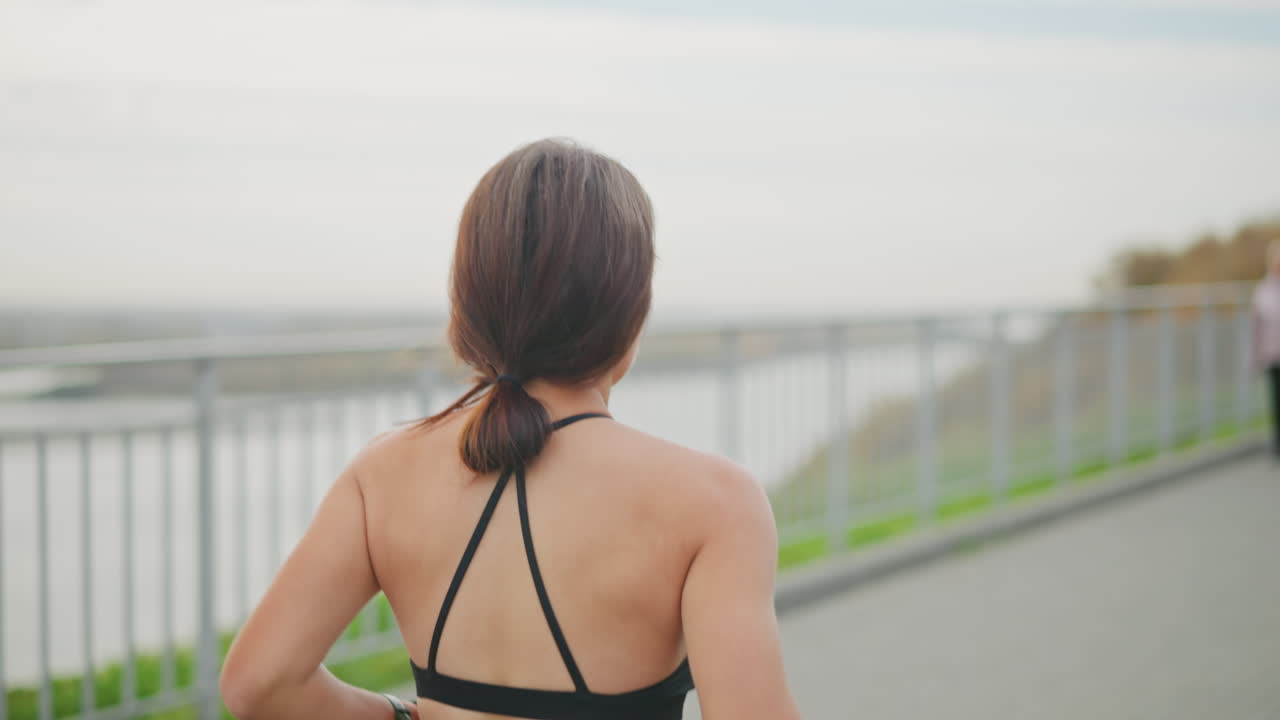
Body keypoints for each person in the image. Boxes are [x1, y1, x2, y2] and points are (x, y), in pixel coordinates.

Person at [219, 138, 801, 720]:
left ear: (470, 297)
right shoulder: (712, 502)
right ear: (631, 307)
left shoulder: (383, 471)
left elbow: (259, 684)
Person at [1255, 239, 1280, 458]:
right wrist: (1255, 355)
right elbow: (1257, 325)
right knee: (1275, 400)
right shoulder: (1263, 291)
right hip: (1272, 354)